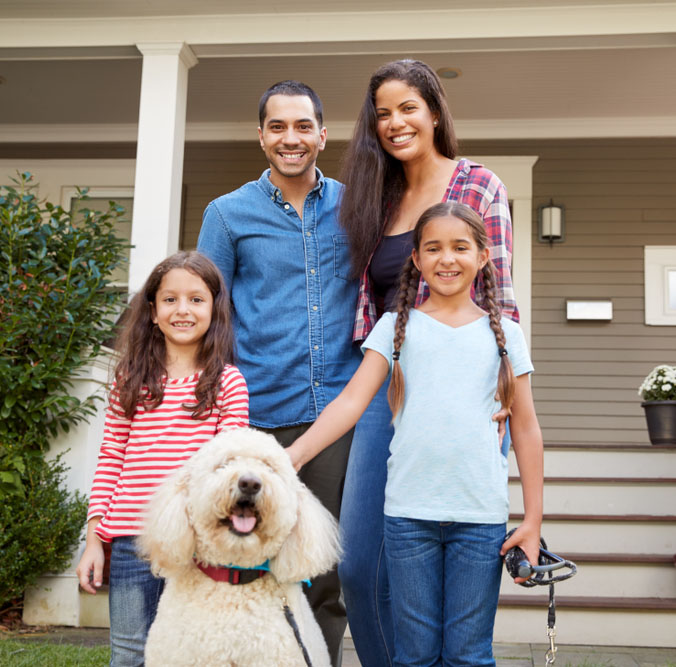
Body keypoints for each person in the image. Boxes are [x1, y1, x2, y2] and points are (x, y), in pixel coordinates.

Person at [287, 202, 543, 666]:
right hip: (408, 518)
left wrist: (532, 521)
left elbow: (525, 429)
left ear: (484, 257)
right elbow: (349, 403)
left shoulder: (505, 334)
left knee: (469, 655)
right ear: (418, 260)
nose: (447, 259)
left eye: (460, 247)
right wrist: (294, 455)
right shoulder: (395, 329)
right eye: (434, 248)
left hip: (480, 518)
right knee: (415, 655)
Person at [336, 59, 520, 666]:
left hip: (461, 399)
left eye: (408, 108)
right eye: (383, 114)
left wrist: (505, 394)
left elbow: (504, 298)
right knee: (361, 567)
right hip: (387, 389)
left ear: (435, 112)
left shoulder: (480, 185)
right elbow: (369, 305)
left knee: (450, 592)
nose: (395, 123)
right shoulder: (376, 196)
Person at [196, 80, 360, 666]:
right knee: (250, 562)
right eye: (277, 127)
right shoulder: (227, 214)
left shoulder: (358, 205)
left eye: (302, 126)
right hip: (256, 415)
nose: (290, 139)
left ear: (322, 133)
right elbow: (205, 315)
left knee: (326, 572)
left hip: (339, 420)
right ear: (261, 136)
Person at [75, 251, 249, 666]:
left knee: (193, 654)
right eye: (170, 300)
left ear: (214, 309)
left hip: (197, 546)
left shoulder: (227, 383)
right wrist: (94, 539)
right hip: (131, 539)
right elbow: (111, 457)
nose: (182, 310)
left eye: (196, 299)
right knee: (131, 653)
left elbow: (228, 469)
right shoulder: (128, 381)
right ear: (152, 312)